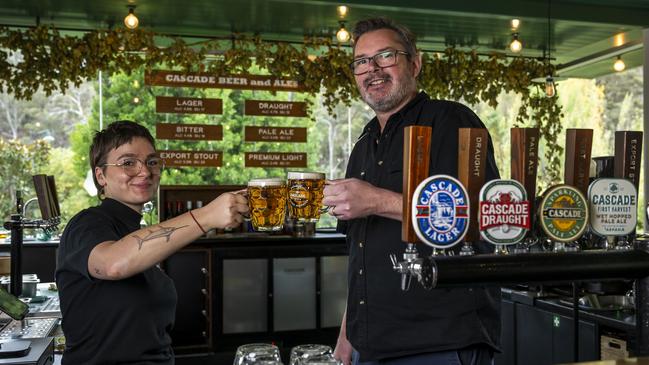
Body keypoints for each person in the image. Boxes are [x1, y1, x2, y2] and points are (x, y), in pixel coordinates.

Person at [323, 18, 501, 365]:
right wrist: (347, 337)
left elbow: (479, 219)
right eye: (361, 61)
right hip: (368, 346)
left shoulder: (451, 121)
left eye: (385, 56)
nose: (371, 69)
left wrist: (374, 200)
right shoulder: (363, 143)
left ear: (415, 63)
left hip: (439, 345)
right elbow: (362, 257)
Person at [55, 120, 248, 364]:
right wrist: (208, 216)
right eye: (128, 163)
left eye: (152, 162)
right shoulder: (86, 223)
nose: (145, 171)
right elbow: (112, 264)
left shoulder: (134, 229)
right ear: (101, 175)